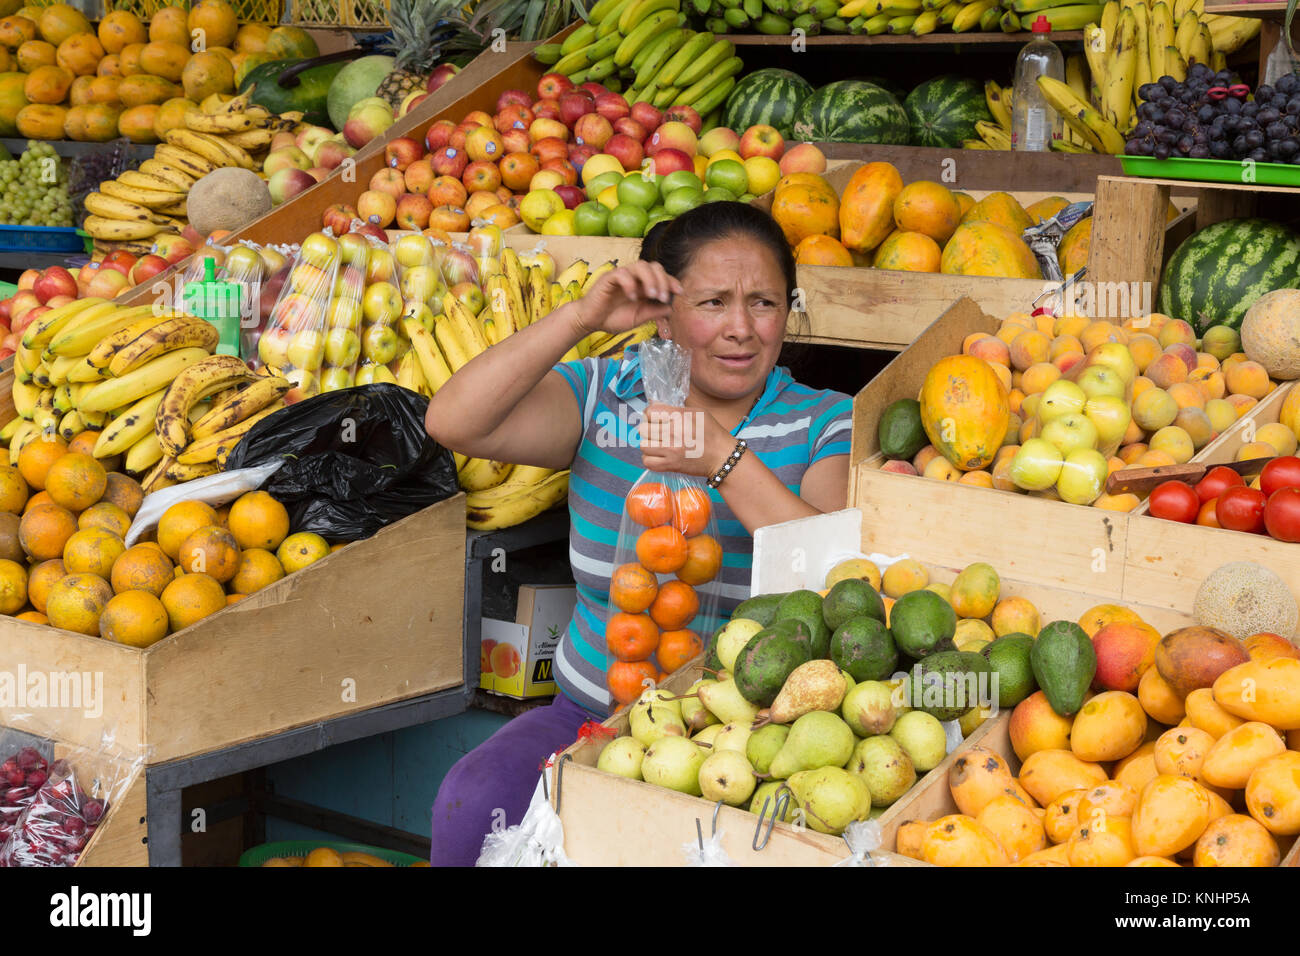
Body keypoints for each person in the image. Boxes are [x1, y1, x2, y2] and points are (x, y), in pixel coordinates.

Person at [425, 202, 853, 866]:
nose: (741, 329)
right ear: (666, 312)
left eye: (764, 303)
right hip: (592, 710)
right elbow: (455, 422)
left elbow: (830, 573)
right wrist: (580, 319)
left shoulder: (824, 421)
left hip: (745, 735)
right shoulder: (608, 394)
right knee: (473, 801)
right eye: (712, 302)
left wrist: (720, 457)